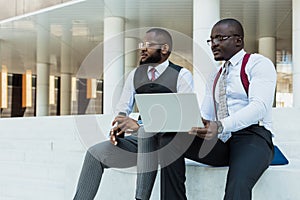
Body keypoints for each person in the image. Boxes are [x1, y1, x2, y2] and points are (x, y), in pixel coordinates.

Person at [149, 18, 276, 200]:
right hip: (223, 142)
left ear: (238, 40)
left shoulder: (257, 64)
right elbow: (207, 115)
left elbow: (259, 107)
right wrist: (189, 122)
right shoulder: (215, 76)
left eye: (220, 38)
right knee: (170, 137)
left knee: (238, 183)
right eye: (211, 40)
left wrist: (221, 125)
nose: (213, 44)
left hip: (253, 137)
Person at [73, 28, 194, 200]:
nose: (142, 48)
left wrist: (139, 127)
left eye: (149, 45)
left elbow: (186, 117)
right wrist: (119, 125)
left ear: (164, 49)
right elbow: (123, 108)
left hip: (169, 143)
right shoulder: (134, 75)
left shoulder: (182, 75)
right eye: (142, 44)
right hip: (141, 141)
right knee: (94, 153)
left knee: (145, 131)